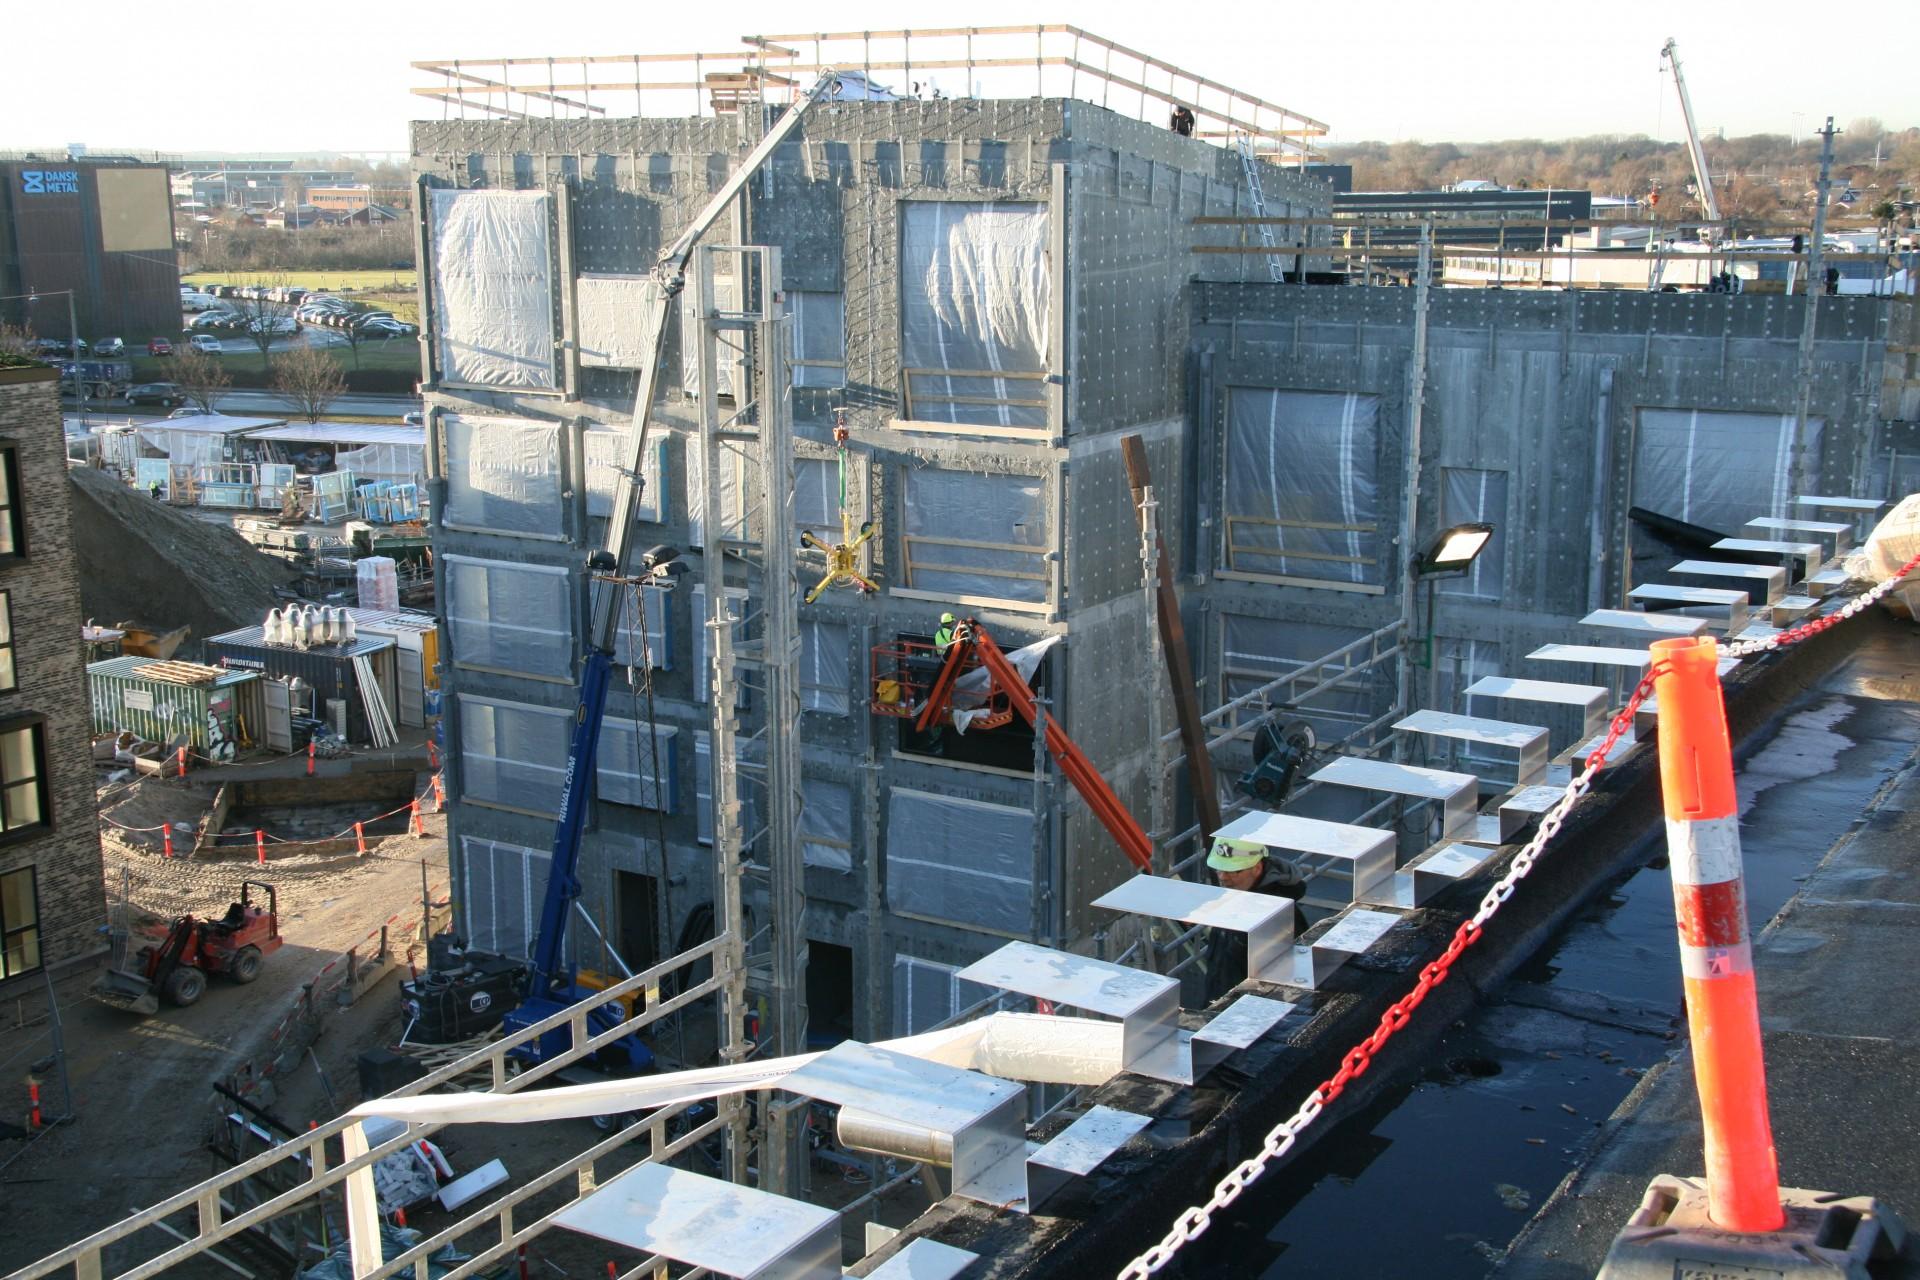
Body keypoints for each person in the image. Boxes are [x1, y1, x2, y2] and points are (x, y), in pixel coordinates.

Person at [1203, 836, 1305, 999]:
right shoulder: (1233, 899)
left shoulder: (1278, 918)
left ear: (1257, 868)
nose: (1222, 877)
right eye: (1219, 869)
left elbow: (1286, 985)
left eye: (1233, 870)